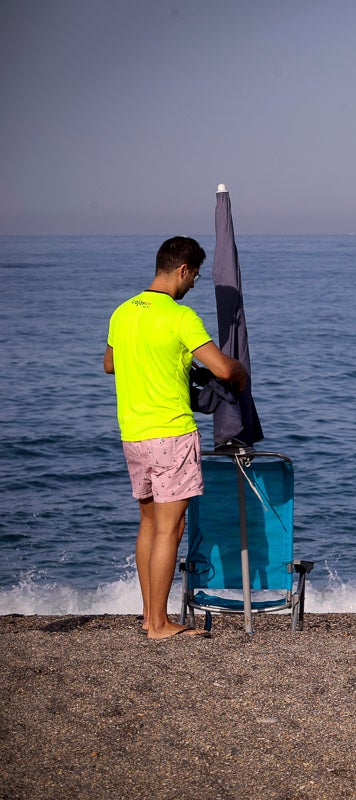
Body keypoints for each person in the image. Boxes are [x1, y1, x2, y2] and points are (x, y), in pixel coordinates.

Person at [104, 236, 246, 639]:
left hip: (133, 433)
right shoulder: (180, 316)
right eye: (195, 276)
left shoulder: (123, 312)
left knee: (149, 524)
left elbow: (110, 364)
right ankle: (159, 623)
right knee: (171, 528)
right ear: (182, 269)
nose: (194, 284)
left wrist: (163, 362)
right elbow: (221, 369)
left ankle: (150, 618)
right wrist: (240, 372)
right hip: (171, 431)